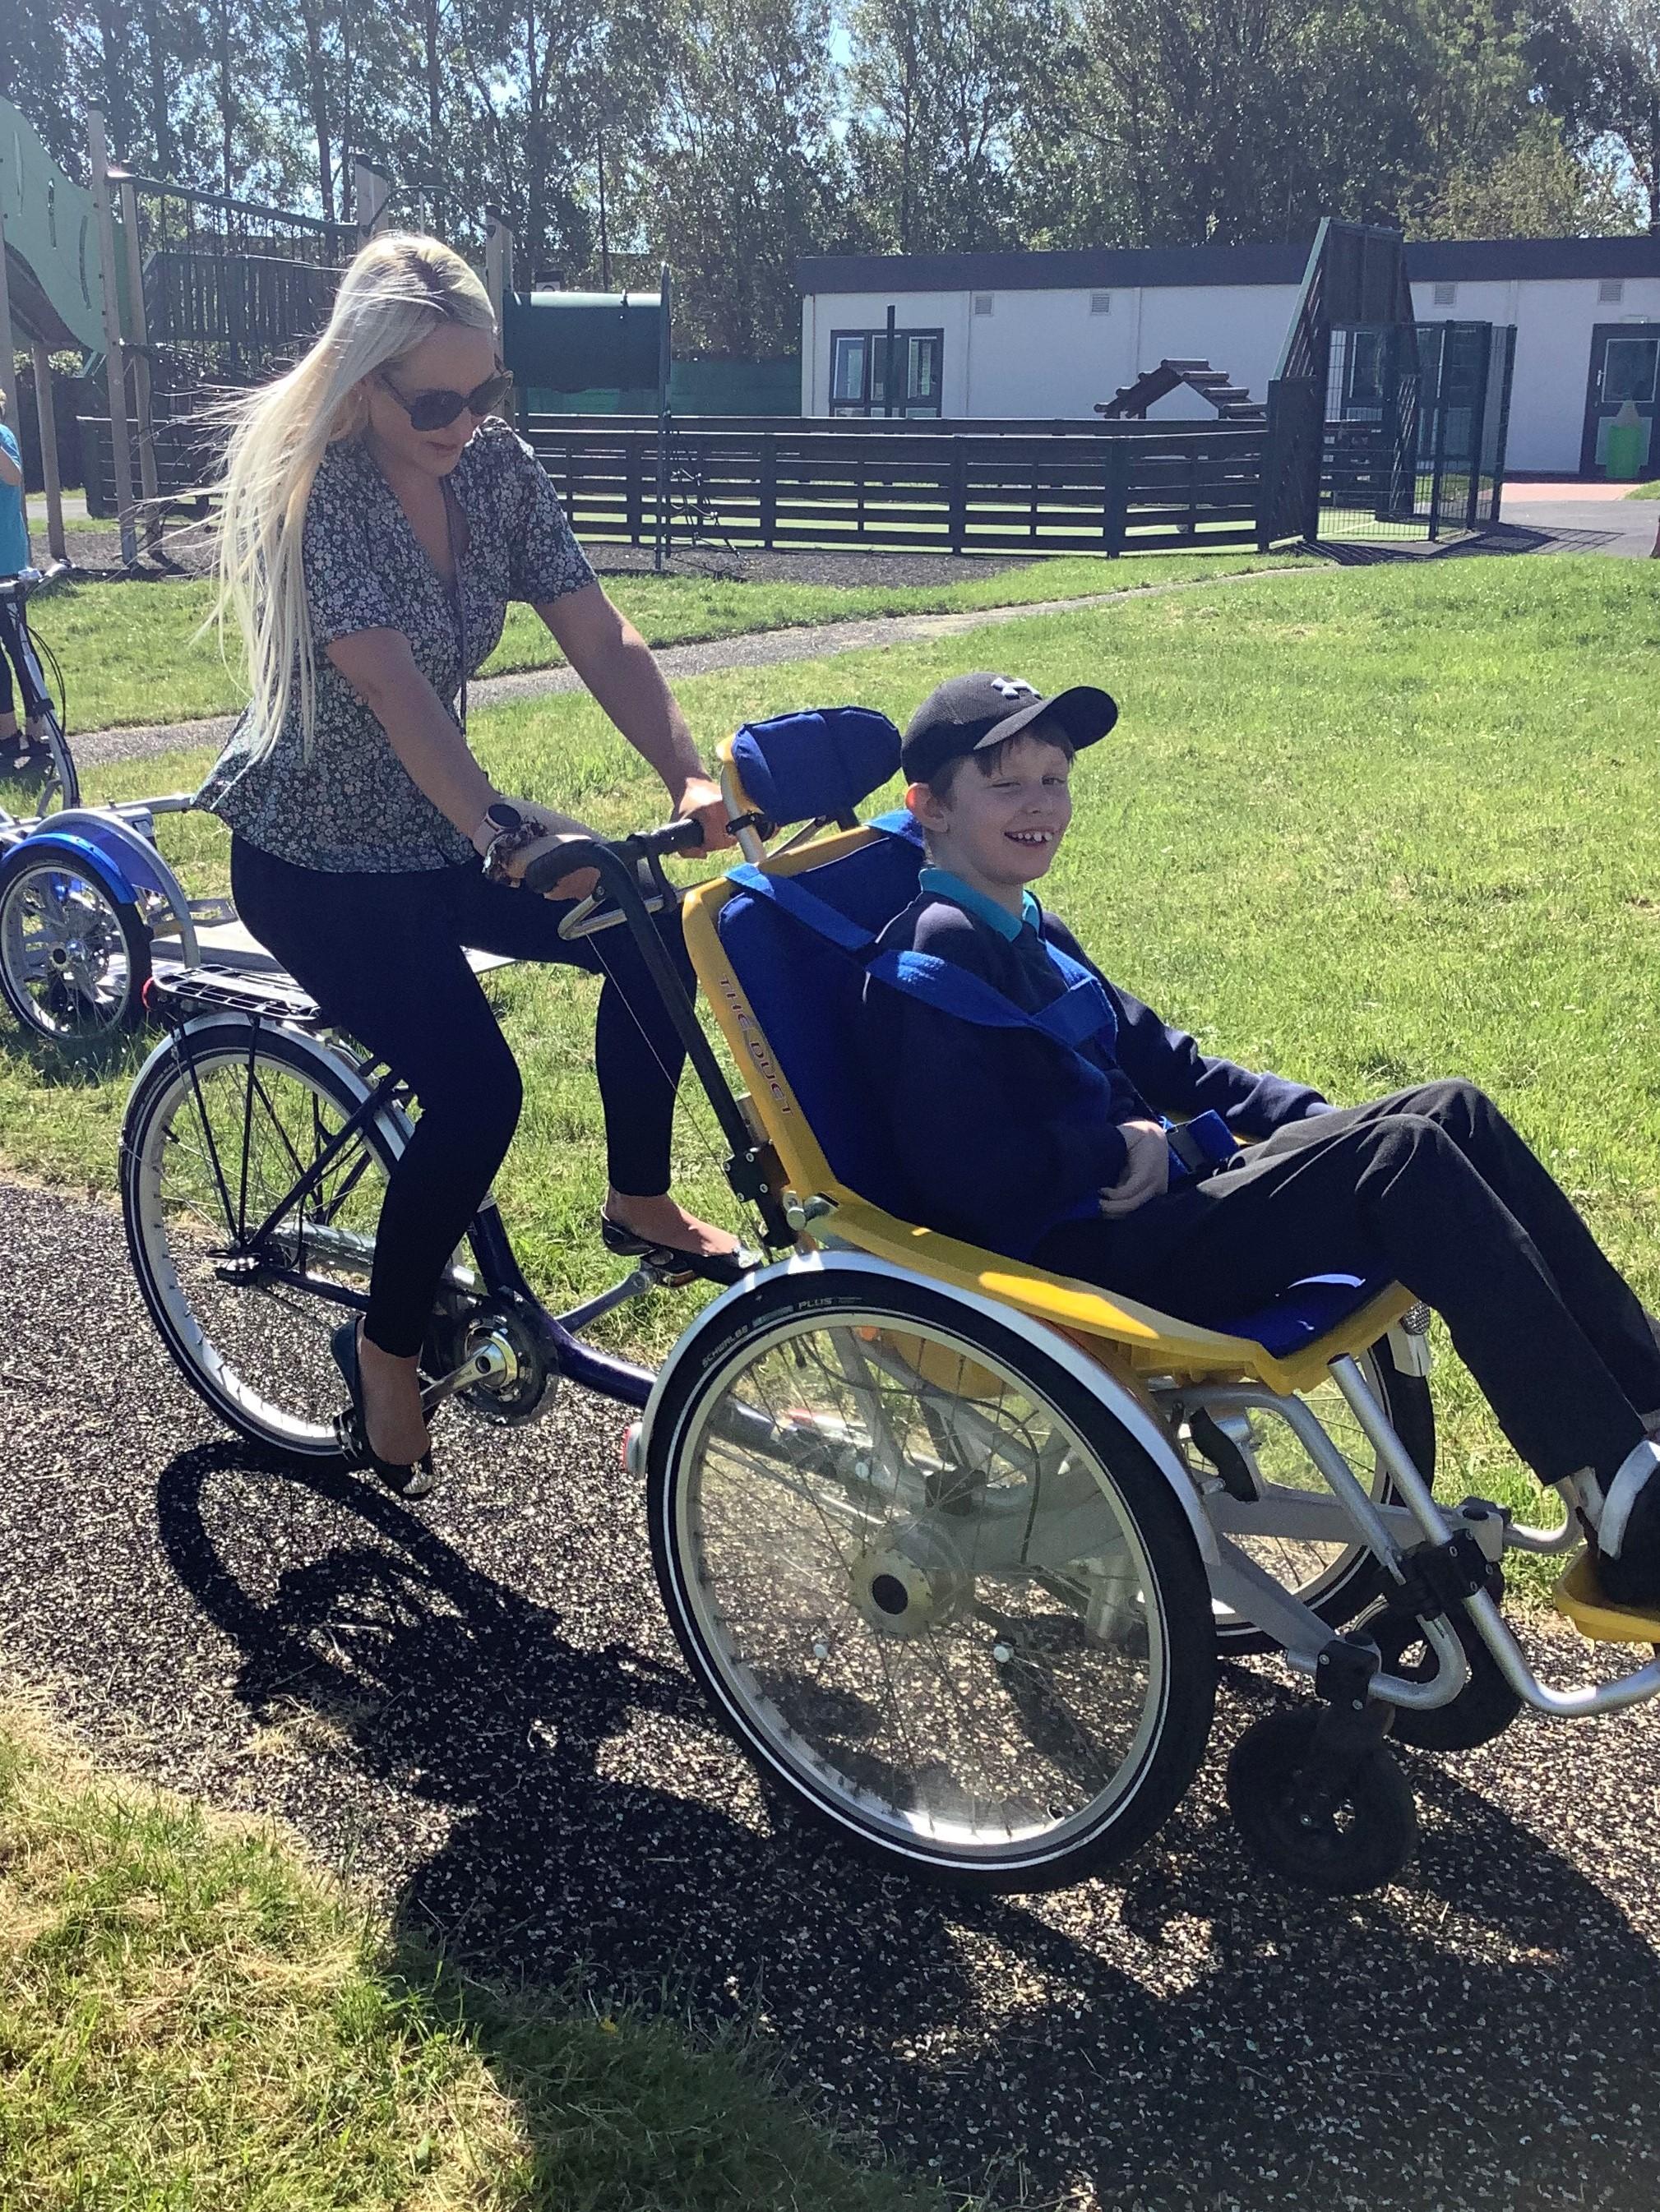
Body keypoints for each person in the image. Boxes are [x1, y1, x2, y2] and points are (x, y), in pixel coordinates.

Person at [860, 669, 1660, 1610]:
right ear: (931, 807)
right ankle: (1620, 1498)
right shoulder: (934, 954)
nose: (1042, 805)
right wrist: (1124, 1148)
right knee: (1404, 1159)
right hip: (1080, 1266)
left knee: (1450, 1111)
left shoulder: (1027, 926)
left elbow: (1173, 1062)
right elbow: (967, 1180)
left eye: (1056, 779)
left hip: (1159, 1215)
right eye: (1007, 785)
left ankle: (1643, 1405)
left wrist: (1319, 1120)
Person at [197, 233, 737, 1493]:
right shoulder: (323, 490)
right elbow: (392, 689)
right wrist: (500, 833)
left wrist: (687, 773)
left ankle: (638, 1200)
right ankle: (386, 1350)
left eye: (482, 390)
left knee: (651, 920)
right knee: (478, 1089)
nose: (463, 421)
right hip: (314, 857)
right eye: (432, 401)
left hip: (437, 826)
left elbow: (598, 631)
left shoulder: (493, 464)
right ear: (361, 385)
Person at [0, 387, 51, 764]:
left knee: (19, 647)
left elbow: (14, 477)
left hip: (6, 563)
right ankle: (6, 734)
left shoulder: (3, 437)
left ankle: (39, 729)